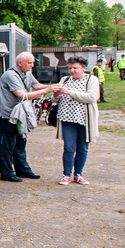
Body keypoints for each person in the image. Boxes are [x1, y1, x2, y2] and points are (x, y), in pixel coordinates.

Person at [0, 52, 60, 182]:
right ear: (20, 63)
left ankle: (23, 169)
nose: (32, 65)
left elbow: (37, 86)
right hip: (8, 116)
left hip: (21, 115)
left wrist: (54, 87)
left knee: (21, 142)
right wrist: (47, 90)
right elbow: (22, 95)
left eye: (32, 62)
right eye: (29, 63)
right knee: (7, 145)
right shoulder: (10, 75)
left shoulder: (27, 73)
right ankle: (7, 173)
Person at [53, 57, 100, 186]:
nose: (72, 71)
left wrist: (70, 92)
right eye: (70, 68)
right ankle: (66, 174)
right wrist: (56, 95)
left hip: (84, 119)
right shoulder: (65, 79)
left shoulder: (91, 80)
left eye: (75, 68)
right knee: (69, 147)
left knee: (83, 147)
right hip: (67, 118)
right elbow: (55, 99)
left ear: (84, 68)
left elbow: (92, 97)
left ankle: (78, 174)